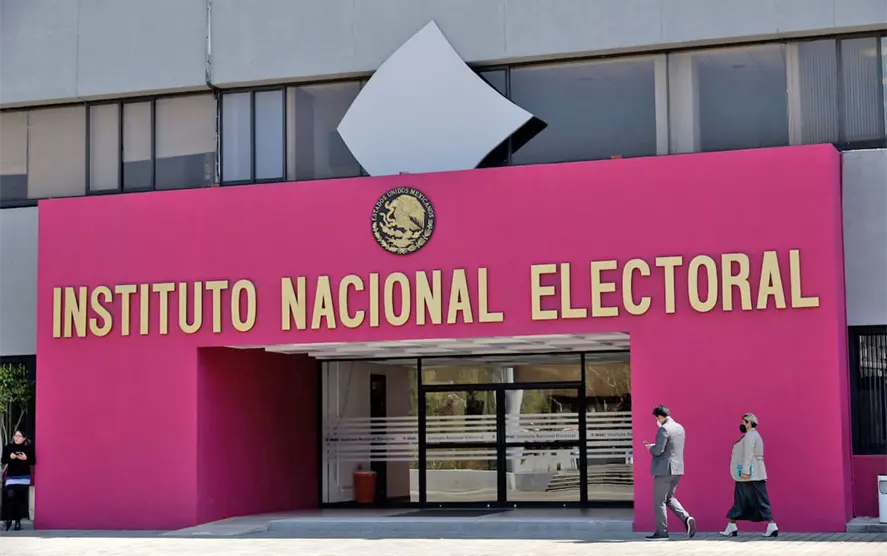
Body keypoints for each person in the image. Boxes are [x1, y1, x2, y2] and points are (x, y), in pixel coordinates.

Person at [720, 413, 779, 538]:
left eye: (743, 422)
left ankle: (771, 525)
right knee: (744, 499)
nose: (741, 424)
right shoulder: (752, 435)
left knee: (748, 498)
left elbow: (748, 453)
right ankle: (732, 525)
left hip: (750, 474)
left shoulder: (750, 436)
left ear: (749, 423)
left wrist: (745, 470)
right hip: (754, 473)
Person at [643, 405, 696, 540]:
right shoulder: (680, 428)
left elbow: (658, 450)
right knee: (669, 498)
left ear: (660, 417)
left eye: (657, 418)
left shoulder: (664, 429)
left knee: (659, 501)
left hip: (664, 470)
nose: (657, 421)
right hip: (677, 469)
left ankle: (662, 532)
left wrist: (650, 448)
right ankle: (687, 518)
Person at [1, 430, 34, 531]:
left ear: (24, 438)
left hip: (24, 477)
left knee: (19, 499)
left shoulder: (28, 448)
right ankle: (9, 519)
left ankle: (17, 522)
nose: (16, 437)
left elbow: (33, 461)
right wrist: (10, 457)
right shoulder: (8, 447)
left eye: (19, 436)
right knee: (10, 496)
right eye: (15, 435)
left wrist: (25, 458)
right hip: (11, 477)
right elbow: (3, 460)